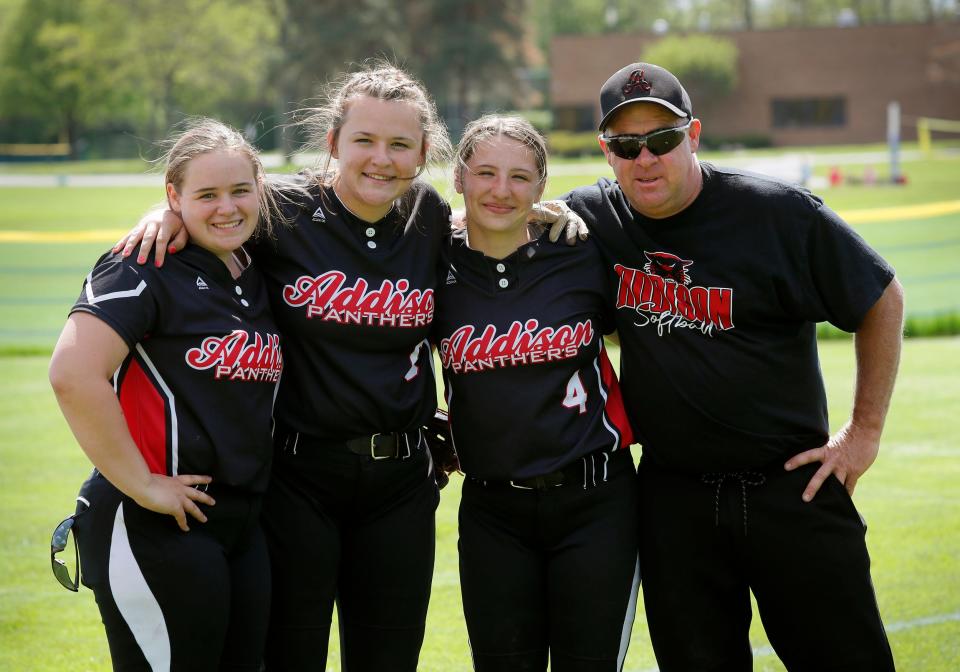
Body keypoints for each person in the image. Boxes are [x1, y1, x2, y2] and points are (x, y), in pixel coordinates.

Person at [111, 63, 586, 671]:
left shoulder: (430, 217)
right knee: (291, 655)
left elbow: (492, 222)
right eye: (363, 140)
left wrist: (540, 213)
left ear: (423, 155)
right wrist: (166, 213)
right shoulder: (281, 213)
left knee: (388, 657)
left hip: (402, 485)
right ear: (333, 142)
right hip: (297, 478)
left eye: (399, 145)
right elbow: (219, 205)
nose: (380, 158)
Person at [563, 62, 903, 671]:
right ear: (606, 151)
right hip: (675, 501)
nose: (646, 159)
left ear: (693, 136)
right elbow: (504, 215)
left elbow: (880, 296)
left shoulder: (776, 213)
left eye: (662, 141)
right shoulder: (594, 218)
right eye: (626, 145)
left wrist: (863, 432)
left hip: (789, 489)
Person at [48, 118, 285, 671]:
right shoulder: (143, 265)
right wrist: (144, 485)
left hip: (241, 523)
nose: (227, 207)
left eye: (240, 190)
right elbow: (73, 374)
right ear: (173, 197)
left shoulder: (256, 269)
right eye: (206, 194)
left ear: (260, 189)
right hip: (154, 523)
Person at [434, 114, 640, 671]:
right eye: (486, 173)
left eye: (521, 178)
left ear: (543, 187)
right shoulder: (432, 262)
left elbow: (646, 340)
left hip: (596, 501)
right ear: (459, 177)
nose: (502, 191)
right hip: (493, 510)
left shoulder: (580, 249)